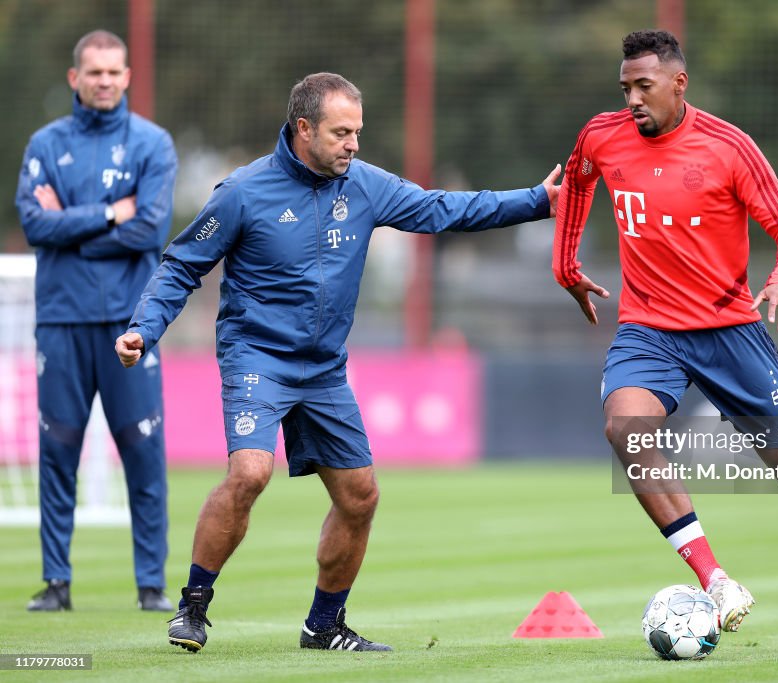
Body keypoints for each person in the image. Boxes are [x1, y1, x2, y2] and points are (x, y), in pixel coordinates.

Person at [115, 72, 560, 653]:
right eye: (341, 132)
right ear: (304, 129)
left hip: (323, 369)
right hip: (257, 356)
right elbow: (181, 266)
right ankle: (193, 608)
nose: (354, 144)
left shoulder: (366, 185)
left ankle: (324, 626)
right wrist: (144, 329)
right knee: (250, 473)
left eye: (358, 132)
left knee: (360, 496)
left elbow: (442, 209)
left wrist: (537, 201)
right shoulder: (244, 191)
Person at [552, 30, 778, 655]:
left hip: (728, 330)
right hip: (649, 328)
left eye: (644, 87)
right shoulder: (601, 135)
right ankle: (713, 578)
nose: (632, 98)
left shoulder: (728, 147)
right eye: (625, 87)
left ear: (679, 84)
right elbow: (576, 186)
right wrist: (565, 267)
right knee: (625, 430)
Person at [15, 30, 177, 613]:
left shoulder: (153, 145)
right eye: (94, 72)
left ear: (127, 77)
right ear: (74, 78)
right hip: (60, 320)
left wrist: (71, 230)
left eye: (114, 72)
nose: (104, 81)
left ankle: (151, 586)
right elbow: (36, 225)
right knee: (57, 449)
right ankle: (56, 582)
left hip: (128, 327)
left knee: (142, 451)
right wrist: (111, 212)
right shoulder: (44, 143)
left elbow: (149, 232)